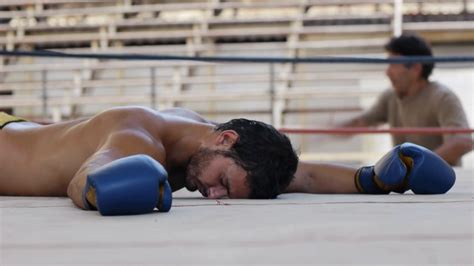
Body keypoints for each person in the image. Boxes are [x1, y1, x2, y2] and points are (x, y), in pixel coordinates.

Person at [0, 106, 455, 215]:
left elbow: (299, 175)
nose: (214, 195)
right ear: (227, 140)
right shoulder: (139, 138)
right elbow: (85, 181)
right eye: (222, 182)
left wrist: (373, 179)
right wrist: (108, 186)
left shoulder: (213, 146)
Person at [340, 33, 472, 166]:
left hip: (442, 184)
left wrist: (417, 166)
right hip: (406, 182)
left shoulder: (442, 97)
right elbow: (362, 122)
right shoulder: (391, 97)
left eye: (393, 64)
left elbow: (462, 142)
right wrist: (327, 131)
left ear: (416, 68)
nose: (387, 72)